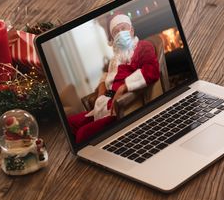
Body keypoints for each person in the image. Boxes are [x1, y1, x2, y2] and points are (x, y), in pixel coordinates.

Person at [67, 13, 160, 144]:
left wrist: (124, 87)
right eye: (116, 31)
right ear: (113, 38)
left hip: (120, 107)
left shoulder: (143, 46)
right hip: (105, 103)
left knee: (83, 134)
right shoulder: (116, 57)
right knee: (70, 123)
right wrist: (101, 89)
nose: (120, 33)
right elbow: (106, 75)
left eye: (124, 28)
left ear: (132, 30)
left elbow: (152, 71)